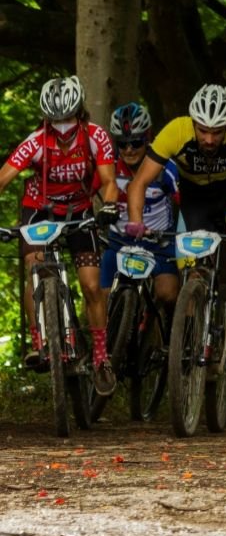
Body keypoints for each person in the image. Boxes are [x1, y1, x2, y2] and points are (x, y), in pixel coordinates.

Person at [125, 84, 226, 334]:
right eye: (203, 131)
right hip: (195, 201)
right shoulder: (176, 131)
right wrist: (136, 222)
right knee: (189, 273)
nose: (210, 139)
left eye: (217, 132)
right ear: (193, 123)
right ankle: (189, 347)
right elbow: (139, 183)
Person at [0, 76, 120, 394]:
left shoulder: (96, 136)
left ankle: (100, 356)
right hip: (39, 210)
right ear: (47, 119)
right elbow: (4, 176)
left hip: (79, 211)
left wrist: (108, 206)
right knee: (34, 266)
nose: (62, 126)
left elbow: (108, 179)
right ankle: (41, 340)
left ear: (79, 113)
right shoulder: (36, 141)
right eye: (55, 120)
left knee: (92, 284)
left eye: (67, 118)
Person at [100, 103, 181, 341]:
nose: (129, 149)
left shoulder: (165, 168)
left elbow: (186, 203)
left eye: (136, 142)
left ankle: (172, 340)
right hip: (119, 241)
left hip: (158, 244)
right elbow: (87, 190)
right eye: (122, 143)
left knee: (168, 294)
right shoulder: (109, 166)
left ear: (148, 138)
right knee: (101, 298)